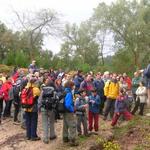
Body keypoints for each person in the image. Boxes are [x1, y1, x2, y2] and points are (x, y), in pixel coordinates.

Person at [38, 78, 57, 144]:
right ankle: (52, 135)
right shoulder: (54, 91)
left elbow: (40, 100)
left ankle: (45, 138)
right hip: (51, 109)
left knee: (45, 123)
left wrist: (39, 108)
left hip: (44, 108)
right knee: (51, 122)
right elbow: (56, 99)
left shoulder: (43, 90)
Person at [63, 80, 78, 146]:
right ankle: (73, 141)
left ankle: (65, 138)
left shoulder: (64, 91)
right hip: (69, 112)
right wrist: (72, 110)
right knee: (72, 125)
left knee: (65, 125)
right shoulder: (68, 93)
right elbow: (68, 104)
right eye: (73, 85)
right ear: (70, 86)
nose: (74, 86)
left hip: (64, 111)